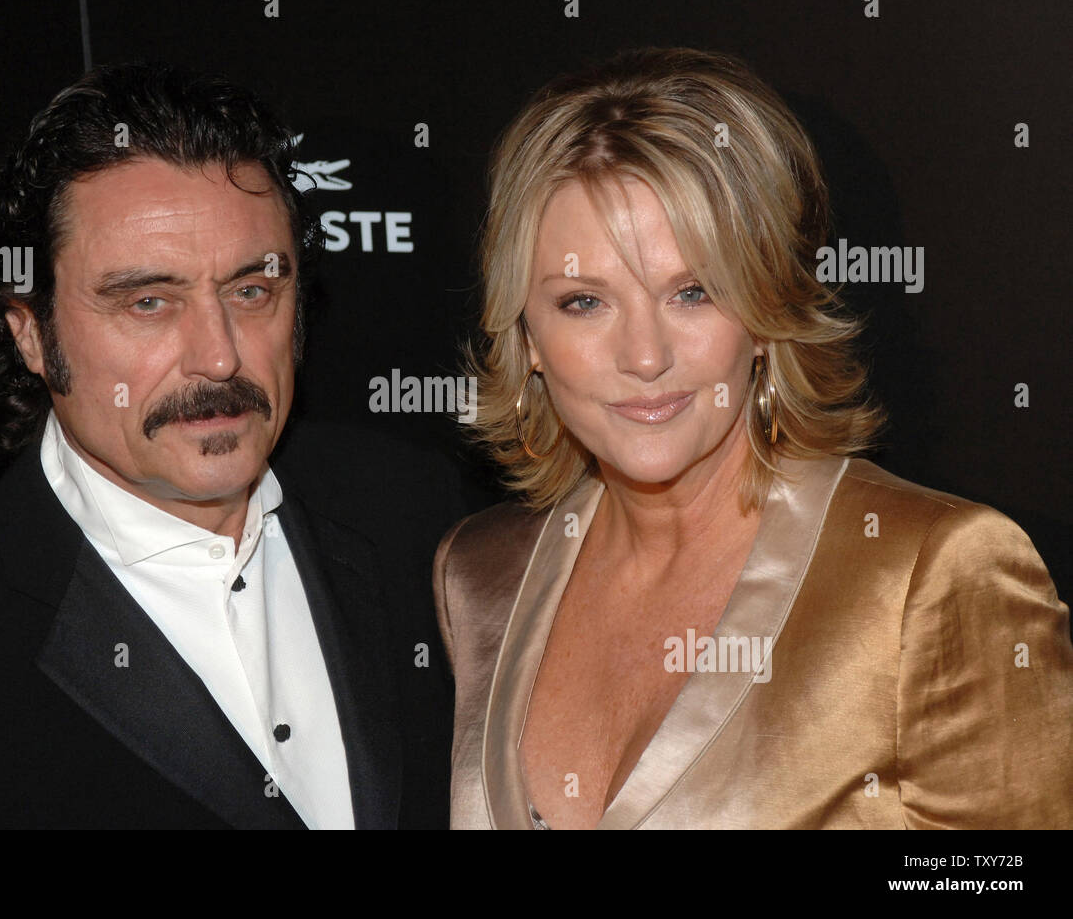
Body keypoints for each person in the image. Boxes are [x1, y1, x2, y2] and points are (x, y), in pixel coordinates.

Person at [0, 62, 465, 829]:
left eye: (251, 290)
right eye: (148, 301)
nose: (219, 355)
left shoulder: (417, 518)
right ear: (31, 332)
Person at [434, 46, 1073, 829]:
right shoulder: (480, 574)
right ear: (526, 332)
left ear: (767, 311)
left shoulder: (932, 575)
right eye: (583, 302)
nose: (646, 356)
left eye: (693, 291)